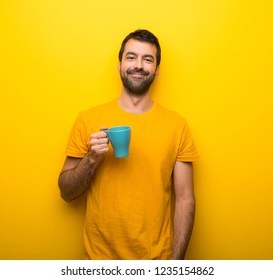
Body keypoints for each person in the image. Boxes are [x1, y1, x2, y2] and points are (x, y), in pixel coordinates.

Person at [58, 29, 198, 260]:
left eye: (148, 59)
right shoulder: (88, 119)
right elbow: (66, 192)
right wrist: (91, 158)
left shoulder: (177, 125)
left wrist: (176, 266)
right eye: (131, 57)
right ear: (119, 64)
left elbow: (185, 199)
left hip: (157, 261)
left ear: (157, 70)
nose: (139, 65)